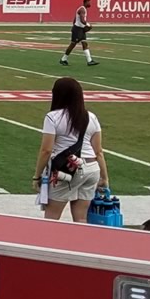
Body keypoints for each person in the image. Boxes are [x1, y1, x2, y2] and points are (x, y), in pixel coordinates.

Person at [33, 75, 109, 222]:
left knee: (51, 219)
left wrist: (37, 176)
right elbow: (98, 151)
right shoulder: (90, 116)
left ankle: (48, 245)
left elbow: (46, 150)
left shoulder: (52, 117)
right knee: (81, 220)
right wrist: (104, 177)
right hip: (92, 168)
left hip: (67, 169)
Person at [60, 0, 97, 68]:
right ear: (85, 2)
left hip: (80, 29)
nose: (90, 4)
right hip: (78, 29)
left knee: (84, 43)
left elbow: (75, 20)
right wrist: (89, 25)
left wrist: (76, 26)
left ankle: (89, 61)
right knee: (73, 44)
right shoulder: (82, 9)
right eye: (89, 2)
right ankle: (63, 59)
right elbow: (82, 20)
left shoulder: (82, 9)